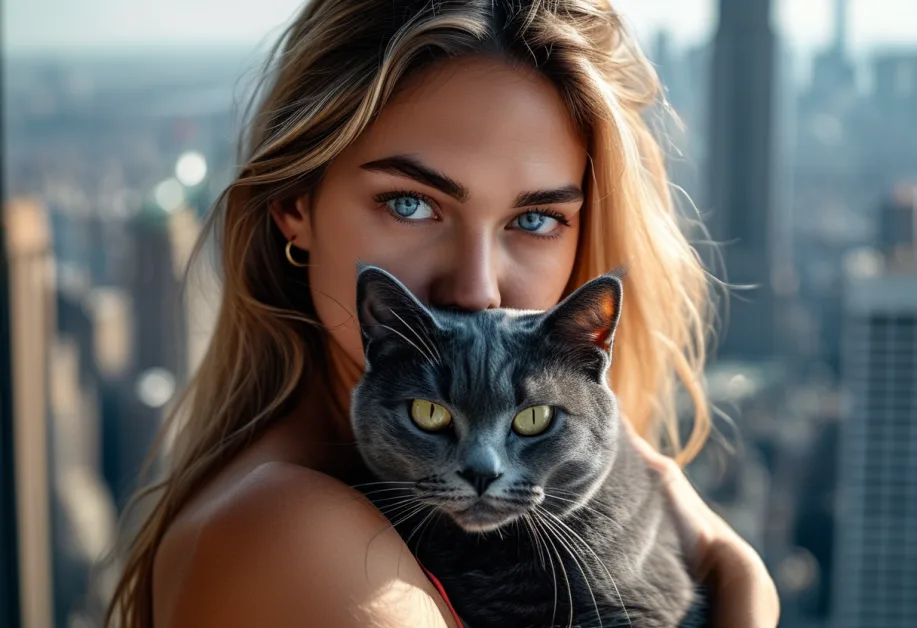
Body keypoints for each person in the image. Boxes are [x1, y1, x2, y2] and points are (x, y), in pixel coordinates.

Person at [106, 1, 779, 626]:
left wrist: (714, 544)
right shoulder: (293, 533)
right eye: (410, 204)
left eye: (535, 217)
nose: (477, 289)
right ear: (294, 204)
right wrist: (732, 571)